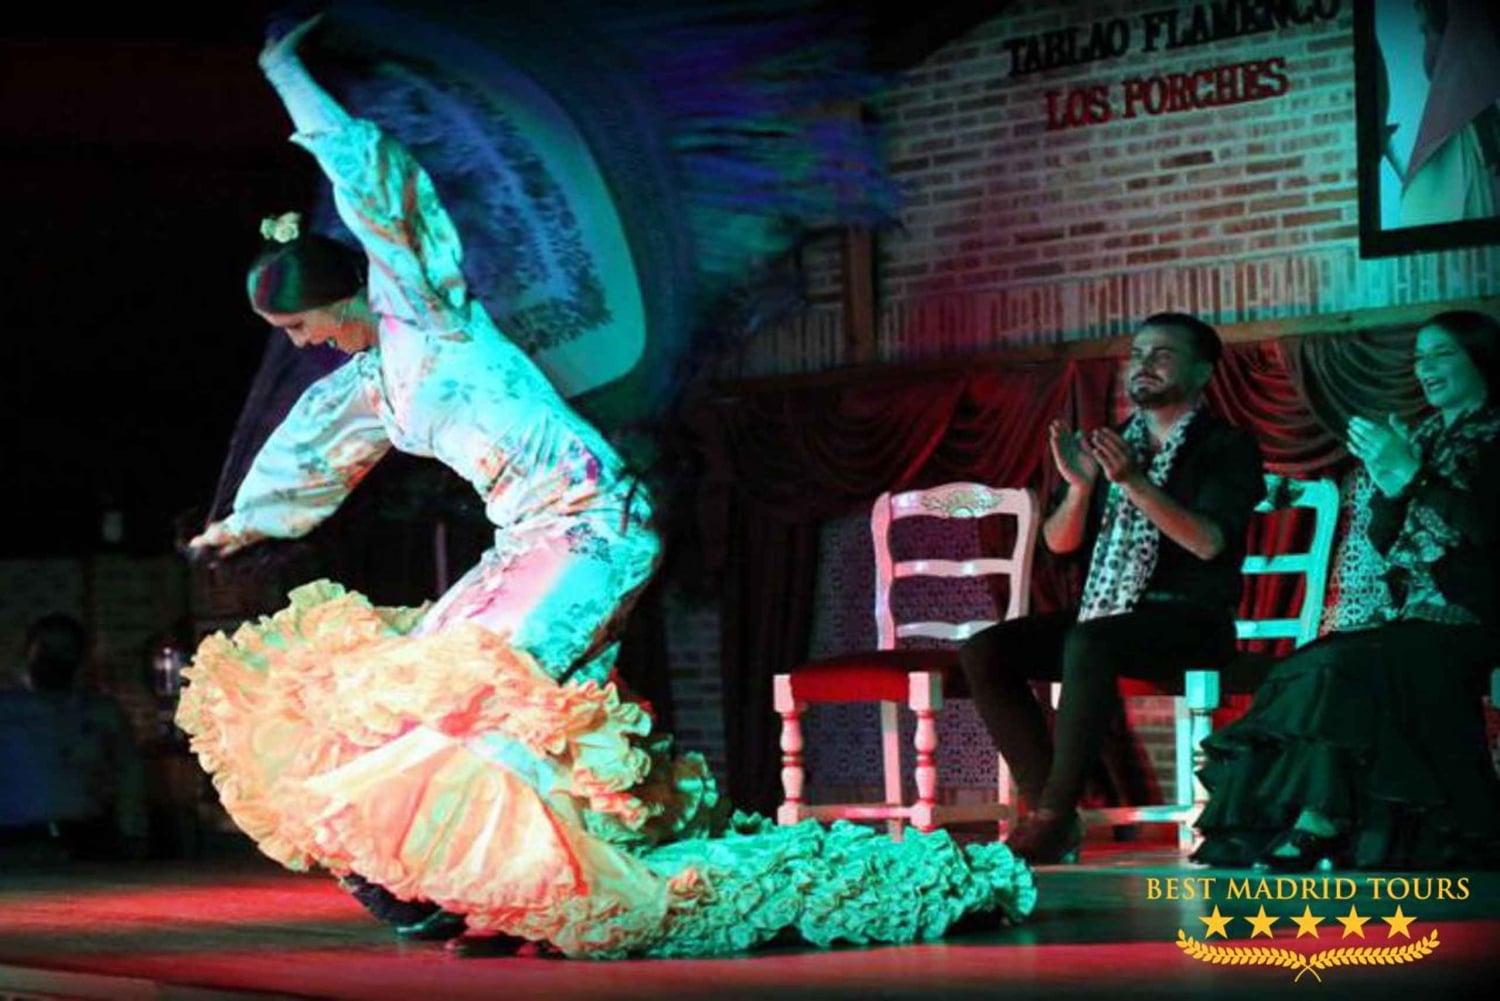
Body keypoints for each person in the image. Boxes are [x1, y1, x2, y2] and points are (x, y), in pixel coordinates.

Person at [179, 15, 1034, 959]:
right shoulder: (375, 380)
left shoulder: (425, 312)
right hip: (526, 543)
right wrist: (244, 523)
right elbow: (314, 446)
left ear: (342, 298)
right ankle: (507, 893)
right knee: (417, 689)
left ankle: (513, 886)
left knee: (479, 694)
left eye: (302, 325)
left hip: (593, 529)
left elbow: (376, 183)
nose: (301, 344)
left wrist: (287, 77)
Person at [1193, 310, 1500, 871]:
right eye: (1420, 358)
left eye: (1442, 355)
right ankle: (1295, 820)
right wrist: (1392, 488)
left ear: (1482, 358)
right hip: (1408, 617)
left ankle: (1322, 824)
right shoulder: (1423, 436)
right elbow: (1389, 539)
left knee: (1345, 666)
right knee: (1312, 662)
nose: (1426, 368)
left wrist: (1415, 480)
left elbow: (1483, 532)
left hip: (1475, 614)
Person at [958, 313, 1266, 865]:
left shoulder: (1225, 446)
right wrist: (1079, 489)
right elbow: (1059, 543)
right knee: (986, 649)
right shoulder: (1115, 444)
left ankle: (1051, 819)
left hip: (1189, 621)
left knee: (1089, 641)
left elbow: (1207, 543)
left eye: (1162, 355)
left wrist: (1134, 483)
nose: (1143, 365)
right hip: (1109, 615)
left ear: (1202, 373)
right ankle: (1049, 810)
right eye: (1138, 353)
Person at [0, 614, 148, 860]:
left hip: (86, 843)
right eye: (46, 648)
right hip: (15, 845)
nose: (54, 658)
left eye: (65, 649)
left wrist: (134, 835)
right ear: (27, 653)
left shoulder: (103, 712)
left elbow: (129, 777)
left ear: (81, 658)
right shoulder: (6, 710)